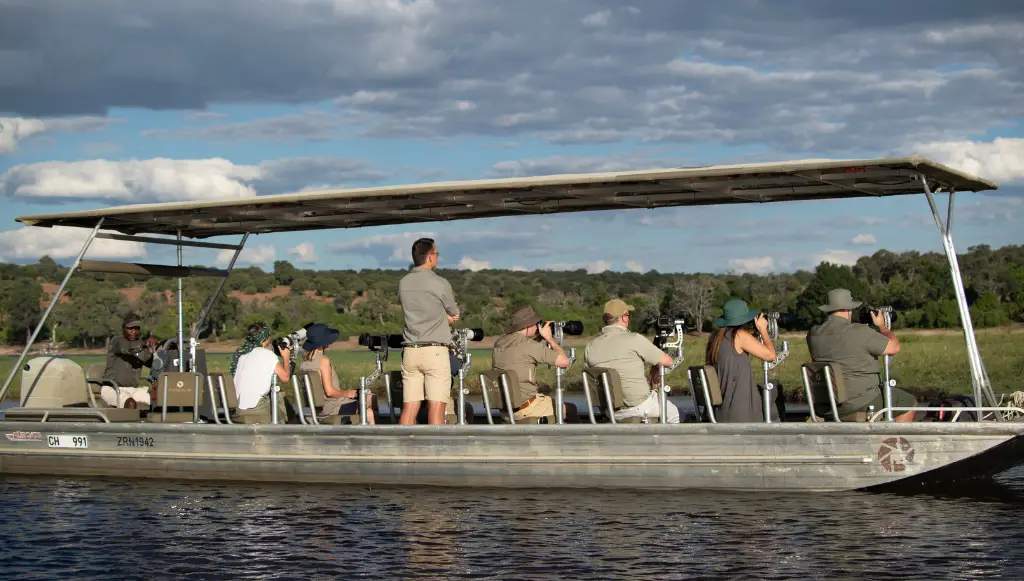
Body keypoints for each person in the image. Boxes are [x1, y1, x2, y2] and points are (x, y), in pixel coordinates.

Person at [807, 288, 914, 422]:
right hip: (859, 402)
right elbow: (894, 347)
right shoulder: (859, 332)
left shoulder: (813, 334)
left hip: (827, 404)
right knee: (908, 402)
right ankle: (890, 440)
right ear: (849, 309)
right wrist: (882, 327)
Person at [584, 299, 680, 423]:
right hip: (639, 406)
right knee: (673, 413)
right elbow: (667, 362)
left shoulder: (590, 346)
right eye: (628, 315)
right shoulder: (635, 339)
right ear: (624, 318)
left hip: (610, 410)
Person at [397, 237, 460, 425]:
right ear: (431, 257)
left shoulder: (403, 282)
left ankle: (401, 448)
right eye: (437, 253)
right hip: (434, 351)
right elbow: (454, 313)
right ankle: (435, 450)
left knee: (410, 406)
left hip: (410, 351)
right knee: (437, 406)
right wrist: (447, 318)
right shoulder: (440, 282)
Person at [492, 305, 580, 423]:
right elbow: (564, 362)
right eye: (536, 323)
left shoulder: (499, 343)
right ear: (528, 325)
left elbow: (522, 349)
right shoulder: (529, 346)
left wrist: (539, 336)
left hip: (505, 409)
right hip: (527, 408)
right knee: (570, 408)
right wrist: (549, 338)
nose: (538, 326)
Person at [705, 299, 778, 422]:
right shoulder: (739, 335)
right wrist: (763, 330)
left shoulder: (716, 337)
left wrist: (754, 335)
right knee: (775, 388)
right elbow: (771, 355)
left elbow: (737, 348)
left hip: (721, 408)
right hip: (740, 407)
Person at [300, 323, 378, 424]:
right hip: (333, 409)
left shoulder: (304, 363)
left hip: (317, 410)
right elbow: (330, 392)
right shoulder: (323, 360)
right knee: (372, 398)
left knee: (369, 413)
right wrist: (349, 393)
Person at [231, 322, 291, 423]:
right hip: (255, 409)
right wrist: (286, 358)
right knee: (279, 397)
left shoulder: (243, 357)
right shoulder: (268, 354)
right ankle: (282, 428)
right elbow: (285, 378)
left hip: (238, 410)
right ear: (264, 339)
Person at [101, 313, 158, 409]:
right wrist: (144, 346)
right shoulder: (117, 341)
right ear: (123, 328)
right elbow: (126, 349)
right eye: (130, 328)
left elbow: (151, 363)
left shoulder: (140, 344)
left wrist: (155, 349)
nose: (133, 331)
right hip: (113, 389)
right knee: (130, 404)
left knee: (159, 400)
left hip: (134, 390)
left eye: (136, 328)